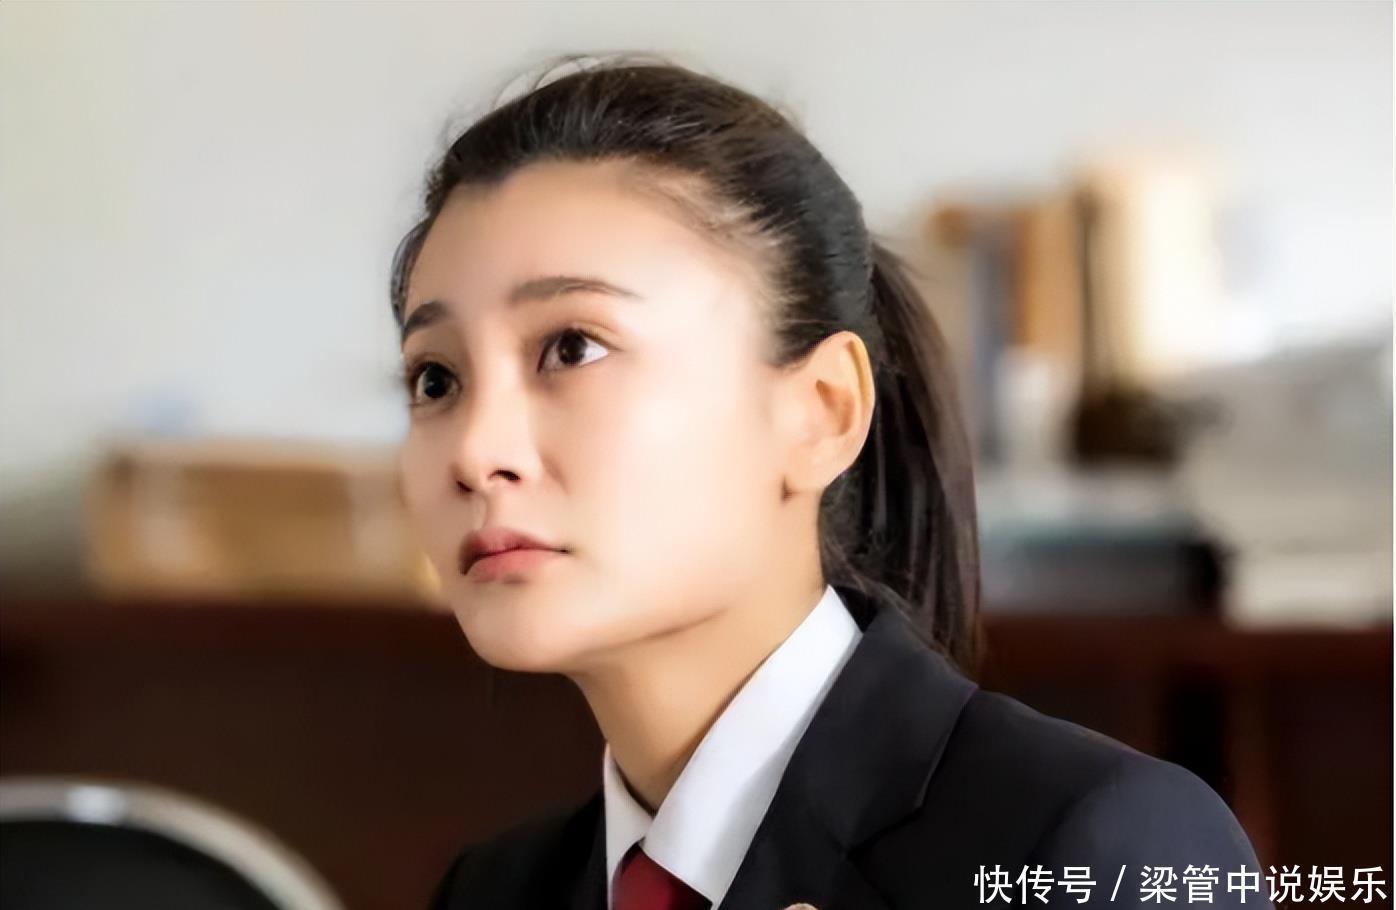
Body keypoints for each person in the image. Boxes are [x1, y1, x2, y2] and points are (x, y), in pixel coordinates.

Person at [391, 57, 1269, 910]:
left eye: (572, 347)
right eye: (436, 378)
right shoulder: (493, 891)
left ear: (821, 411)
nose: (476, 451)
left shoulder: (1096, 847)